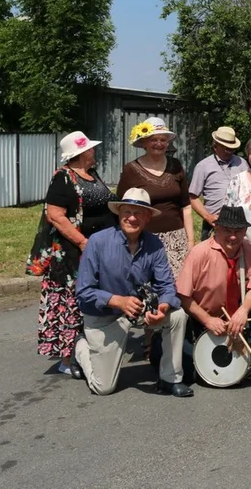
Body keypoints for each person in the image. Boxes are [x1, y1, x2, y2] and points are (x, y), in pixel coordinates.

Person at [74, 188, 192, 397]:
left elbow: (167, 286)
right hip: (103, 317)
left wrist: (163, 307)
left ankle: (170, 378)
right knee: (103, 388)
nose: (132, 218)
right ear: (119, 213)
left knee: (177, 316)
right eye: (127, 212)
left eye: (138, 213)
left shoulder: (155, 244)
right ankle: (81, 348)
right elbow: (83, 291)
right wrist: (117, 301)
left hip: (138, 310)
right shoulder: (97, 242)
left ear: (147, 218)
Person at [29, 131, 115, 377]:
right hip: (71, 255)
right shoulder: (63, 178)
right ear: (80, 153)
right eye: (90, 148)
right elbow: (55, 215)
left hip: (95, 249)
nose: (94, 151)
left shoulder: (91, 175)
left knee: (89, 301)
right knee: (70, 303)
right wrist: (82, 241)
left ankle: (91, 349)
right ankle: (68, 359)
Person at [175, 204, 251, 386]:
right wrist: (207, 320)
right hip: (202, 316)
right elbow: (182, 295)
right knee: (191, 375)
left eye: (238, 231)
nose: (233, 236)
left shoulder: (250, 250)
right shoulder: (199, 253)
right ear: (216, 228)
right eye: (227, 230)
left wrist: (243, 311)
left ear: (245, 231)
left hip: (236, 312)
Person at [118, 117, 194, 277]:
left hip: (176, 239)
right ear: (144, 142)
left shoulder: (176, 166)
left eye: (163, 139)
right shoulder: (131, 170)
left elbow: (186, 206)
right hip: (144, 238)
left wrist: (190, 242)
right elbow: (121, 208)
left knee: (177, 285)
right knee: (145, 283)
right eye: (154, 139)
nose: (159, 143)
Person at [188, 126, 248, 240]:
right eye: (226, 149)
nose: (230, 151)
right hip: (214, 223)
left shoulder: (242, 163)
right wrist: (208, 217)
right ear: (215, 147)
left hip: (240, 222)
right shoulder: (203, 166)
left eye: (232, 148)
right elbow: (193, 197)